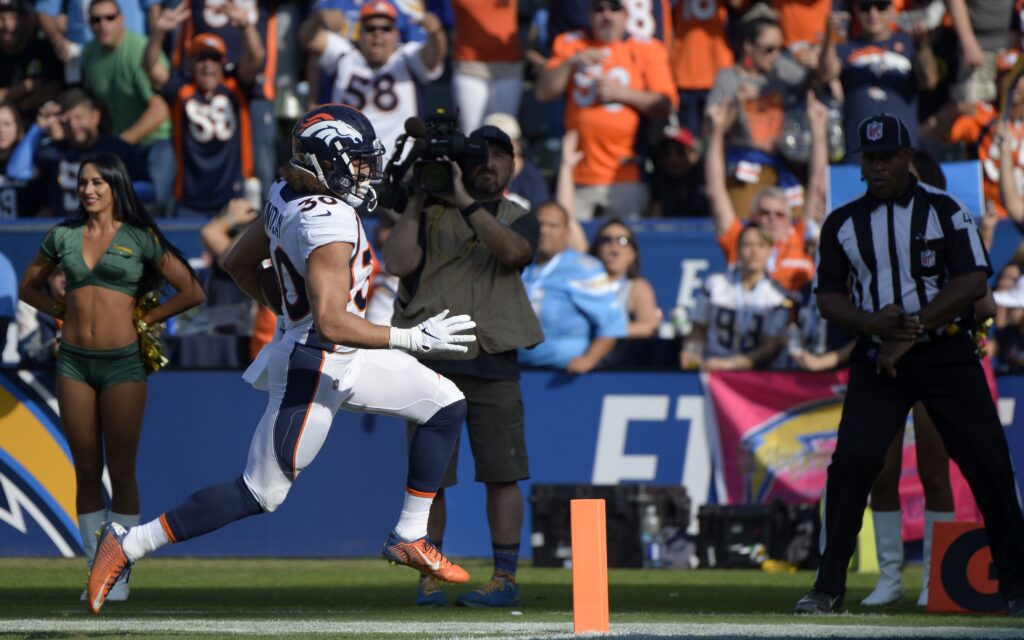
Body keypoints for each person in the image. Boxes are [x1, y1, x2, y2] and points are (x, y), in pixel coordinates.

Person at [85, 105, 477, 614]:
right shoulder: (329, 221)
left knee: (446, 405)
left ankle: (409, 534)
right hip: (319, 363)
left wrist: (288, 314)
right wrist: (411, 338)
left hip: (339, 353)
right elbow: (333, 321)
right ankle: (128, 541)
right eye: (355, 162)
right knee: (260, 493)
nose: (365, 173)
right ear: (322, 161)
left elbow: (237, 262)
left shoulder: (284, 191)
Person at [794, 113, 1024, 616]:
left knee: (987, 465)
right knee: (853, 464)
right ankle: (828, 586)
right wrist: (875, 325)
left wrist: (911, 326)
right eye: (868, 159)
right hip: (880, 357)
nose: (876, 168)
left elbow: (972, 283)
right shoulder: (842, 223)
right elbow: (829, 298)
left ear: (908, 158)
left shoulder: (947, 210)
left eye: (885, 158)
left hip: (945, 351)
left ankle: (1016, 583)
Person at [18, 153, 205, 603]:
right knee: (84, 468)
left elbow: (192, 290)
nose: (88, 190)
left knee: (121, 470)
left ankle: (118, 572)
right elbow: (29, 287)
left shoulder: (139, 236)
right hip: (73, 363)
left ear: (115, 186)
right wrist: (62, 314)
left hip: (124, 363)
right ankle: (94, 569)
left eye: (98, 182)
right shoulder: (62, 235)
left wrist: (146, 320)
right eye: (83, 182)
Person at [383, 124, 544, 608]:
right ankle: (429, 573)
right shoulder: (426, 212)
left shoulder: (519, 215)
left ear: (513, 166)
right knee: (429, 479)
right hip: (432, 360)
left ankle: (504, 577)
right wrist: (417, 197)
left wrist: (464, 201)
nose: (489, 165)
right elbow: (396, 262)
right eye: (480, 156)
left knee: (503, 472)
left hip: (494, 355)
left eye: (500, 156)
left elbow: (515, 253)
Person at [535, 0, 677, 221]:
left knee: (620, 244)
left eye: (614, 8)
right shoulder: (570, 43)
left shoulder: (646, 48)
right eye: (599, 9)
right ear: (589, 14)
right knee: (574, 245)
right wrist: (571, 63)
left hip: (625, 174)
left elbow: (666, 104)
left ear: (626, 14)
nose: (606, 15)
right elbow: (544, 92)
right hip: (577, 173)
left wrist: (622, 94)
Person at [144, 6, 264, 218]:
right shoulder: (181, 90)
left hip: (233, 198)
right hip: (190, 199)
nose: (207, 65)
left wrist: (245, 25)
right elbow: (150, 67)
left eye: (213, 59)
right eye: (201, 58)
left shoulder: (236, 87)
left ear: (223, 63)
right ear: (190, 63)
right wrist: (159, 32)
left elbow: (256, 58)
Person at [300, 0, 446, 163]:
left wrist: (436, 32)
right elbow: (308, 40)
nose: (378, 35)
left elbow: (434, 55)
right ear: (359, 32)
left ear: (397, 34)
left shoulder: (407, 57)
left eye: (386, 29)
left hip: (399, 164)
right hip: (349, 164)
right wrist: (317, 18)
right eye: (370, 29)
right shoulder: (344, 55)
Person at [705, 99, 816, 293]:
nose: (772, 219)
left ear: (790, 219)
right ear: (753, 216)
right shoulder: (741, 240)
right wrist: (716, 133)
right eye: (765, 213)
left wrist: (819, 132)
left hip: (794, 319)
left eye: (779, 214)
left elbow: (817, 185)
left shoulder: (800, 236)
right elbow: (715, 191)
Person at [817, 0, 939, 162]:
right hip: (860, 155)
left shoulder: (908, 44)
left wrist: (923, 46)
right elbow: (826, 74)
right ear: (856, 9)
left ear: (891, 9)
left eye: (880, 6)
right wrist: (829, 38)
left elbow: (930, 81)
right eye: (865, 7)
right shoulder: (846, 47)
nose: (873, 14)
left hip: (902, 154)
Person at [82, 0, 174, 212]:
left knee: (159, 206)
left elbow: (160, 109)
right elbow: (99, 103)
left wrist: (121, 142)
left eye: (109, 18)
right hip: (120, 141)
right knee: (117, 209)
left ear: (121, 20)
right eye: (96, 20)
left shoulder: (138, 49)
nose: (103, 24)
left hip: (156, 140)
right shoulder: (89, 54)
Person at [520, 201, 627, 372]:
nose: (545, 230)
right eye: (540, 224)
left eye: (552, 225)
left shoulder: (583, 269)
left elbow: (613, 323)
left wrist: (589, 359)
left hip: (562, 373)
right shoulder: (520, 264)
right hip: (518, 368)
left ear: (567, 232)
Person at [680, 223, 790, 371]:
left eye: (761, 245)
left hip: (755, 375)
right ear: (737, 250)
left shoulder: (778, 296)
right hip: (713, 369)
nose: (754, 251)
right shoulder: (715, 285)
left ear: (770, 251)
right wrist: (692, 351)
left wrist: (731, 364)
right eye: (747, 245)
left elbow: (770, 348)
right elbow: (698, 330)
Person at [588, 217, 661, 339]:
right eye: (606, 239)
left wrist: (606, 331)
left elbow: (650, 326)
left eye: (623, 241)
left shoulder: (637, 287)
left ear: (632, 254)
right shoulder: (582, 284)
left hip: (618, 355)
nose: (613, 245)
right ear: (597, 249)